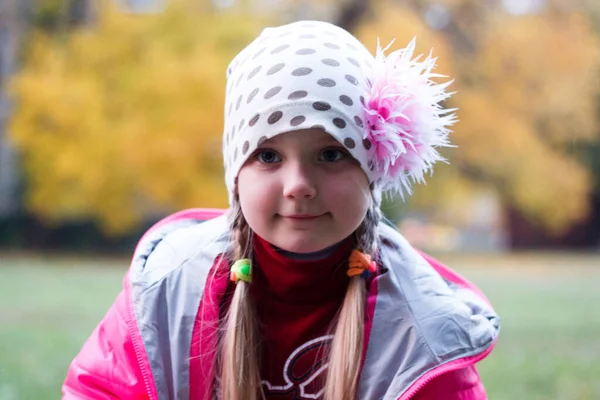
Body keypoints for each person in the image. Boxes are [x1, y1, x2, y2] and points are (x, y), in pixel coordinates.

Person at [62, 20, 500, 400]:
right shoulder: (171, 288)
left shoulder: (419, 323)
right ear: (236, 175)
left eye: (330, 154)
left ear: (373, 170)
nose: (299, 186)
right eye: (268, 157)